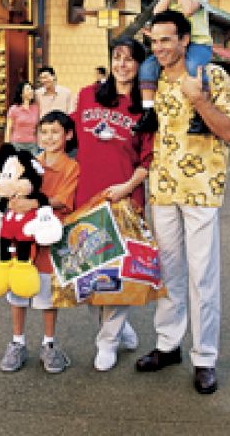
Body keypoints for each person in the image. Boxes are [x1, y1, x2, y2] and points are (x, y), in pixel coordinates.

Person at [134, 11, 230, 395]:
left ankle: (205, 357)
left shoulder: (210, 76)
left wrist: (200, 102)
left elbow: (229, 131)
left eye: (167, 40)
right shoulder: (152, 82)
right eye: (155, 41)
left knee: (203, 275)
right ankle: (168, 345)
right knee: (168, 271)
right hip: (162, 189)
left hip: (201, 189)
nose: (160, 48)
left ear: (183, 41)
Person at [71, 36, 153, 372]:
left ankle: (107, 341)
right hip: (86, 198)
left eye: (130, 59)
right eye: (117, 57)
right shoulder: (88, 95)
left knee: (119, 276)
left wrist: (126, 187)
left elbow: (148, 160)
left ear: (140, 65)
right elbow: (69, 138)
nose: (122, 64)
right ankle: (119, 328)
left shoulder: (145, 108)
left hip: (124, 199)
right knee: (90, 278)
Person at [0, 111, 80, 373]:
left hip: (50, 240)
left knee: (47, 296)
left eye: (55, 132)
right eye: (44, 132)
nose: (49, 137)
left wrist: (33, 202)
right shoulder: (30, 162)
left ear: (68, 135)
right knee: (18, 291)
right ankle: (17, 342)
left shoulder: (71, 167)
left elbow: (64, 199)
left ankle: (49, 343)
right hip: (20, 240)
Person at [138, 0, 212, 135]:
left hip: (197, 43)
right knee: (147, 67)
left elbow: (188, 10)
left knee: (194, 66)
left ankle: (201, 113)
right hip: (173, 45)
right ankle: (148, 111)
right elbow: (157, 14)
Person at [5, 81, 39, 153]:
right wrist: (7, 146)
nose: (31, 91)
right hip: (17, 144)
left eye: (31, 89)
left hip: (32, 145)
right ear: (21, 94)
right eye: (28, 89)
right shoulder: (14, 109)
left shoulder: (36, 108)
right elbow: (9, 128)